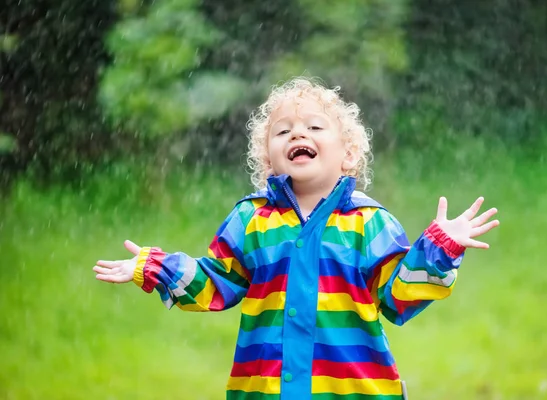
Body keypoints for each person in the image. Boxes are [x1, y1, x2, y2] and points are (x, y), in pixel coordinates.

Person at [93, 77, 500, 400]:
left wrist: (439, 249)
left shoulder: (369, 223)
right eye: (282, 130)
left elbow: (397, 298)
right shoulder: (251, 220)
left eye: (314, 127)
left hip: (353, 392)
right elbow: (215, 282)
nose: (296, 134)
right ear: (268, 157)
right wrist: (155, 267)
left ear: (348, 154)